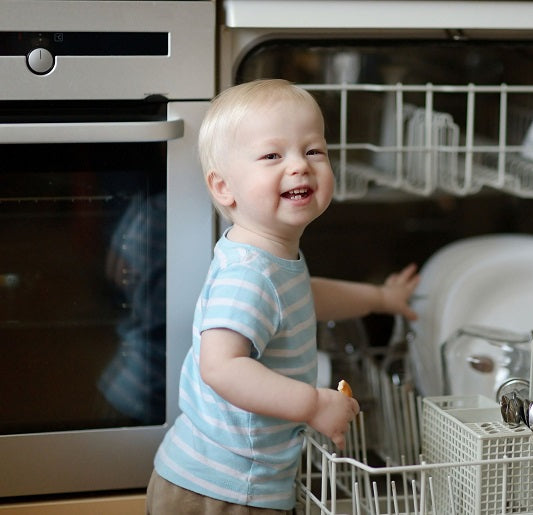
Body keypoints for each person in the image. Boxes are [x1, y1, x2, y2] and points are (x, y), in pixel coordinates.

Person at [146, 79, 420, 514]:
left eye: (314, 151)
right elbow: (221, 366)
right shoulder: (249, 275)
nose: (300, 166)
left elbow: (304, 299)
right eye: (273, 155)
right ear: (223, 188)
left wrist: (380, 298)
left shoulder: (271, 256)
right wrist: (311, 404)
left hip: (231, 479)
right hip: (224, 489)